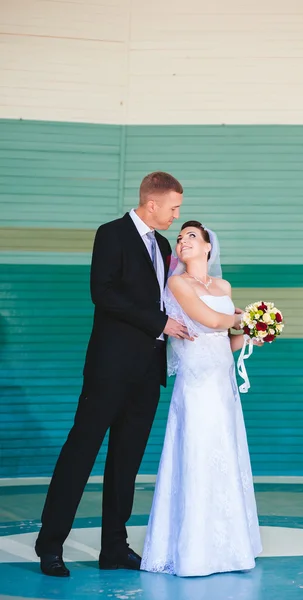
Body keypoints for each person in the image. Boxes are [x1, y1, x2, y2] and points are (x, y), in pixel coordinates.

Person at [35, 172, 193, 577]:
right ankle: (50, 545)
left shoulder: (161, 245)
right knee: (80, 453)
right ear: (152, 203)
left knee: (126, 463)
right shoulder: (111, 233)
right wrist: (158, 322)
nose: (177, 215)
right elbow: (102, 293)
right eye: (174, 207)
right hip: (109, 368)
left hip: (147, 371)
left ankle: (114, 548)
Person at [141, 221, 263, 577]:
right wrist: (246, 317)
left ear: (209, 247)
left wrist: (255, 333)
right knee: (196, 453)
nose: (182, 241)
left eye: (191, 236)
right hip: (195, 382)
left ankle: (230, 545)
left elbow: (227, 340)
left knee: (225, 454)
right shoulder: (177, 283)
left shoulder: (223, 285)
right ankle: (194, 552)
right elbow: (207, 318)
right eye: (179, 238)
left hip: (221, 382)